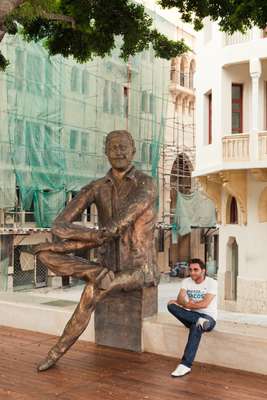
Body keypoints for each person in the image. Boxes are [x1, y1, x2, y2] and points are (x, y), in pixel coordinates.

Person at [34, 130, 160, 371]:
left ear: (133, 150)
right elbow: (59, 225)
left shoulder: (147, 184)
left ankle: (56, 352)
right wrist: (77, 241)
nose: (119, 151)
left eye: (124, 146)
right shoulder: (95, 187)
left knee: (92, 291)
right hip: (107, 266)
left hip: (138, 269)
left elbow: (118, 224)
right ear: (106, 152)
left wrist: (74, 243)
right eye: (113, 147)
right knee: (43, 253)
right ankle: (98, 274)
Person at [167, 258, 217, 377]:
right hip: (191, 316)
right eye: (190, 270)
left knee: (197, 327)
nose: (192, 272)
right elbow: (179, 298)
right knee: (171, 305)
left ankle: (185, 365)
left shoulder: (212, 283)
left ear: (203, 271)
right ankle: (197, 320)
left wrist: (186, 304)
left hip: (208, 318)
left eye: (196, 270)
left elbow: (204, 304)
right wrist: (187, 304)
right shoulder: (186, 281)